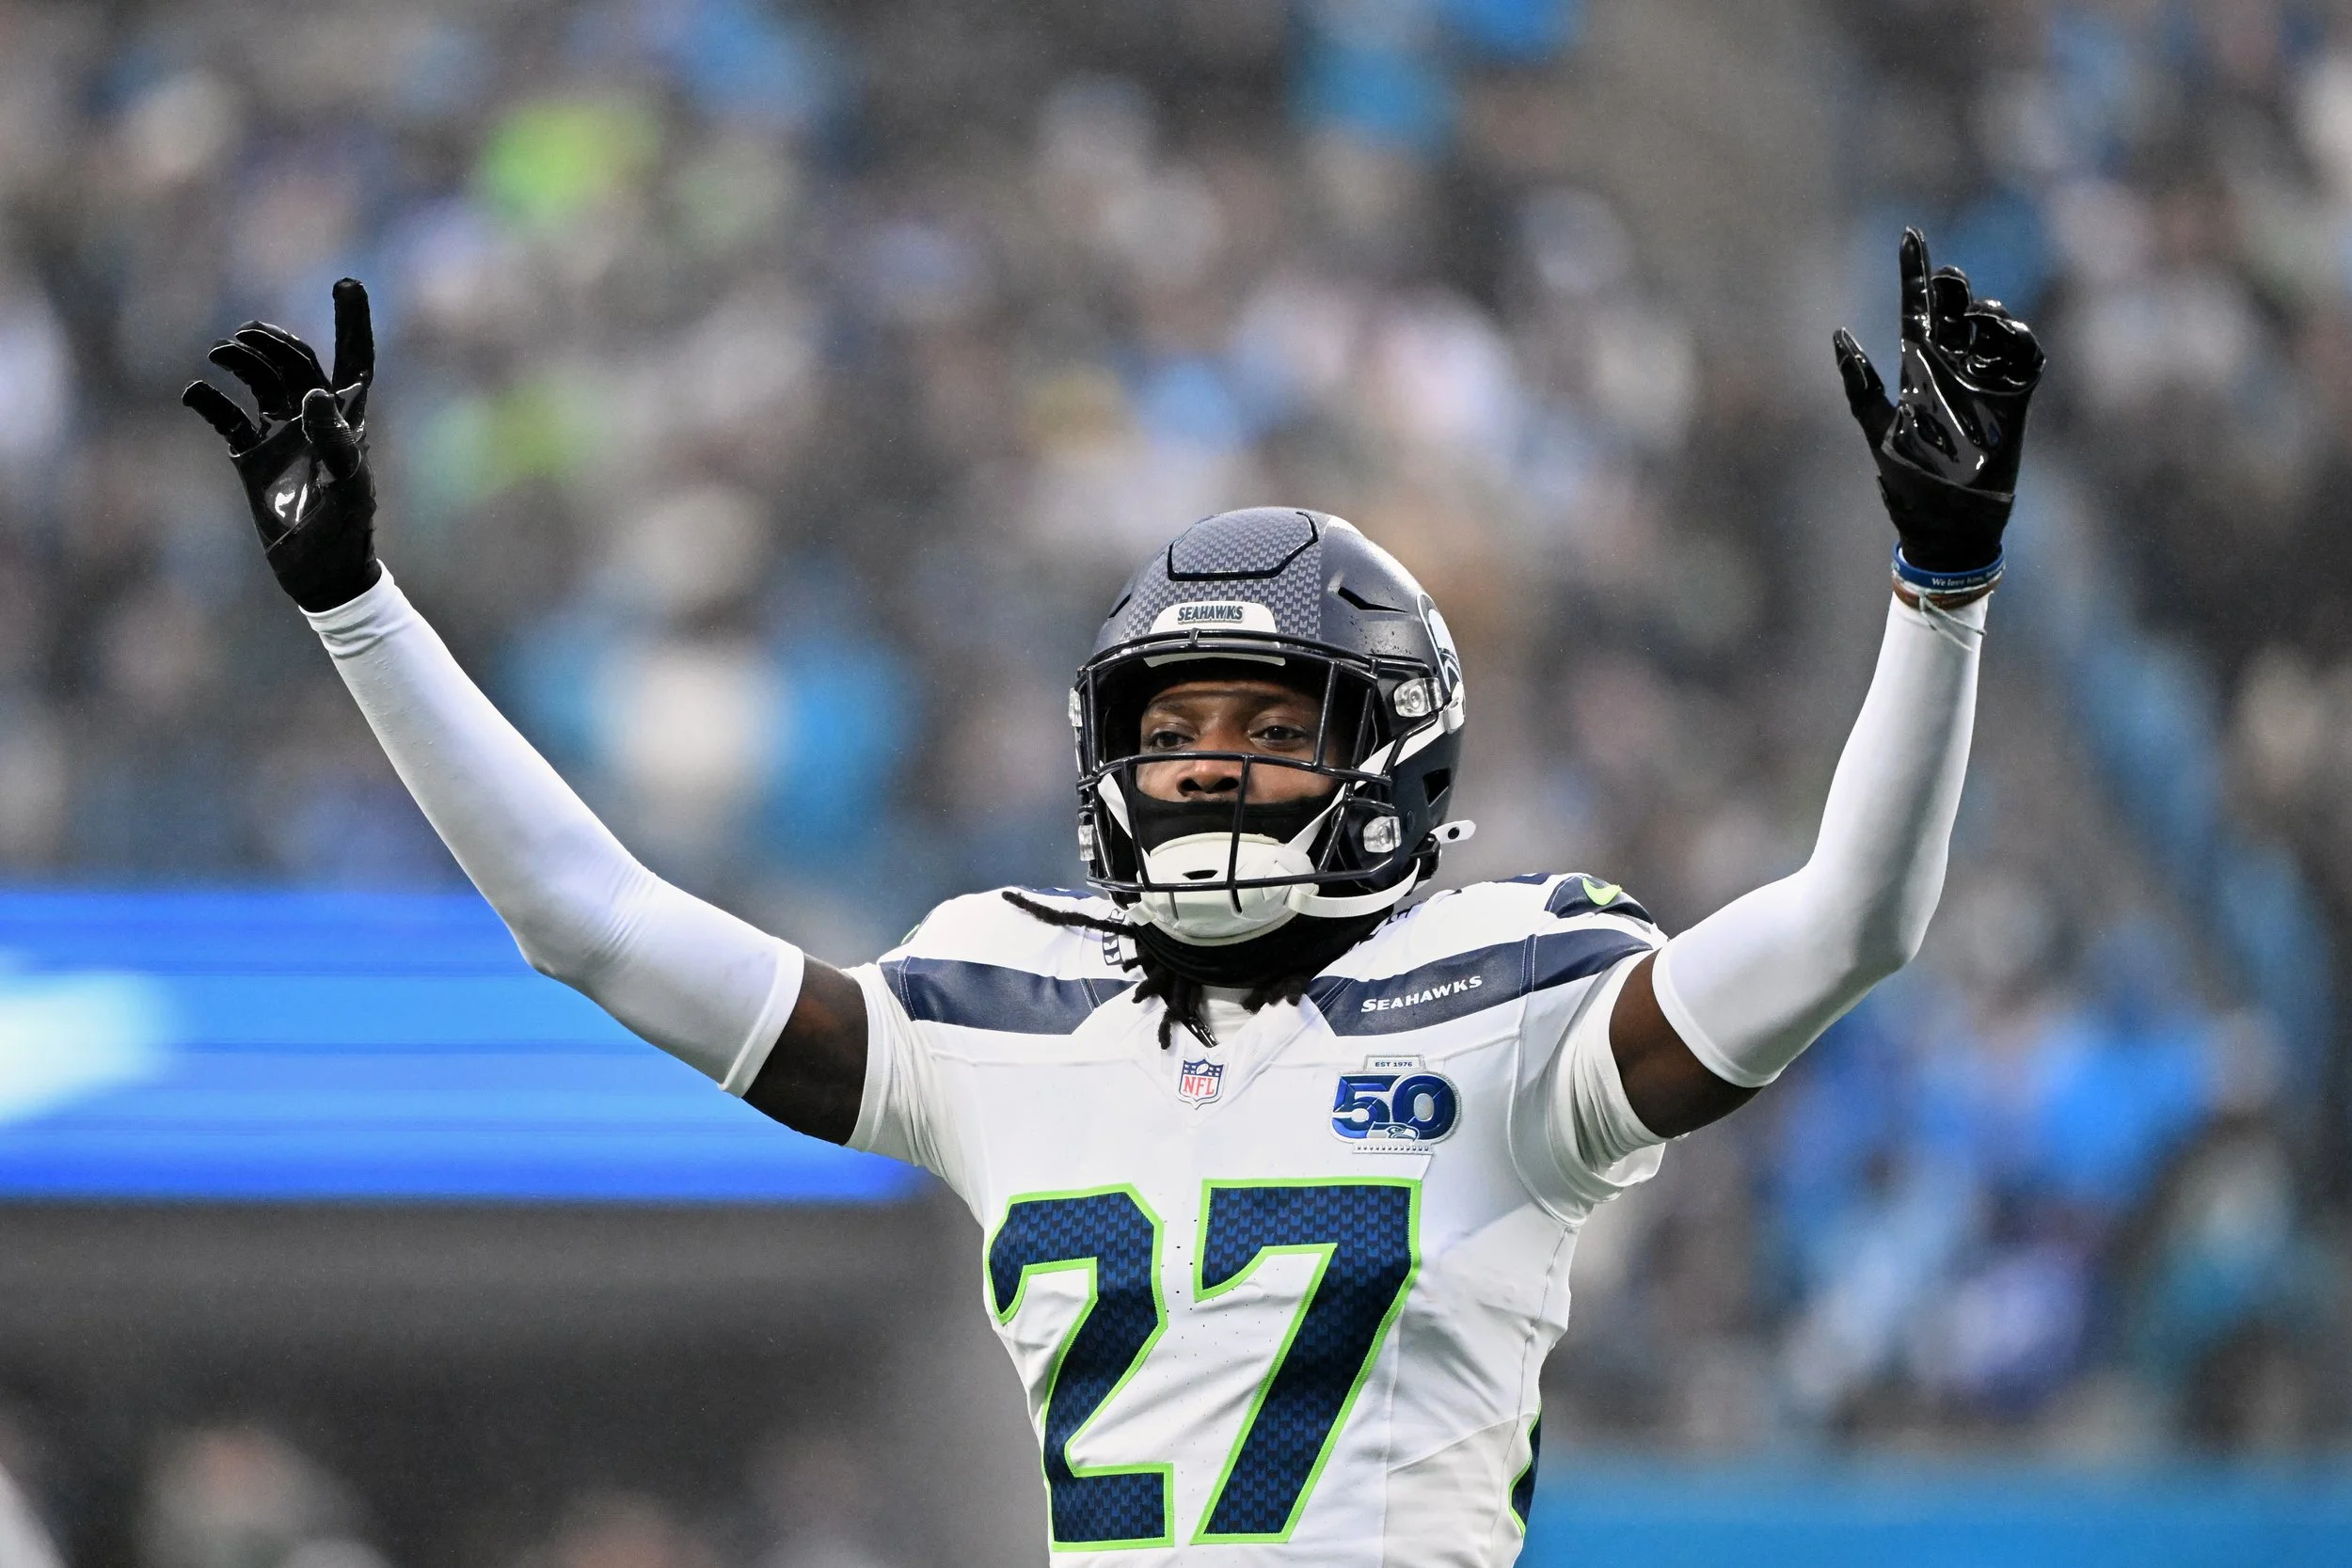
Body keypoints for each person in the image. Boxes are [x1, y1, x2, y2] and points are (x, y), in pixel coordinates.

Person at [183, 230, 2042, 1563]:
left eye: (1266, 722)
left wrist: (1935, 589)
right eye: (1173, 725)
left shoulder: (1509, 990)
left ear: (1393, 754)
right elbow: (586, 918)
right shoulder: (995, 1007)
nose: (1209, 764)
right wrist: (357, 604)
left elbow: (1846, 923)